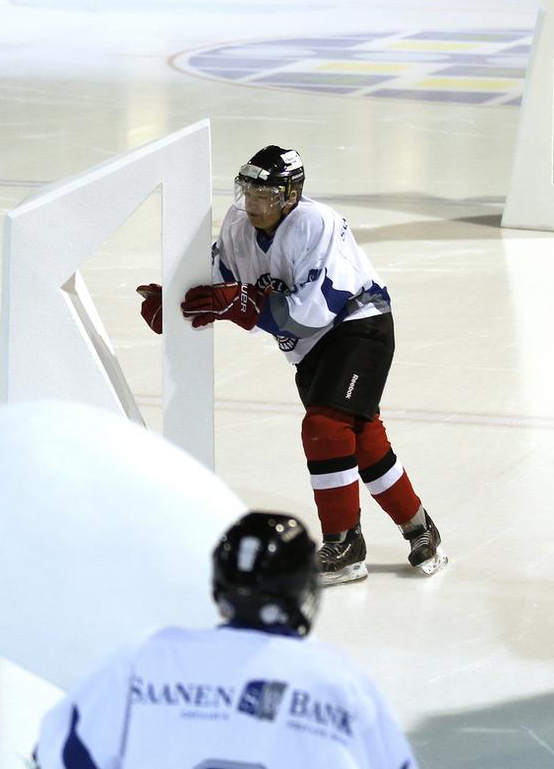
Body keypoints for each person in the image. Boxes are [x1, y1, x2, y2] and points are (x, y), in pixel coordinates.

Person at [136, 146, 447, 585]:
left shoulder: (314, 224)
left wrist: (240, 303)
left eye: (264, 194)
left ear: (290, 194)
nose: (253, 203)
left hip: (359, 324)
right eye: (249, 191)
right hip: (308, 349)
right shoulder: (239, 226)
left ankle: (344, 545)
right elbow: (216, 276)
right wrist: (173, 302)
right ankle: (419, 527)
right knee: (360, 438)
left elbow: (310, 312)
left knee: (324, 427)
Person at [31, 512, 418, 769]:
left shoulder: (146, 658)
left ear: (219, 587)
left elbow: (56, 755)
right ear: (302, 588)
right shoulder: (338, 681)